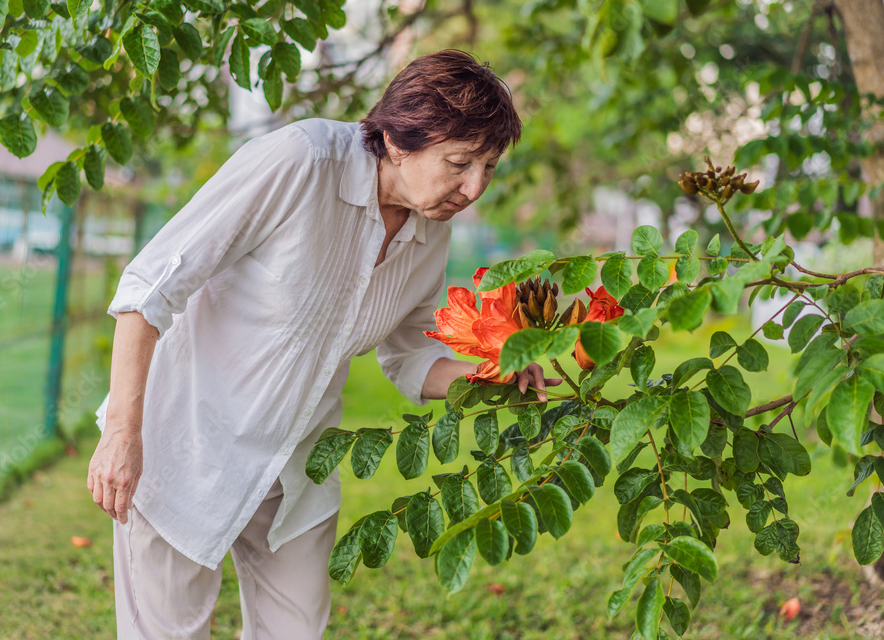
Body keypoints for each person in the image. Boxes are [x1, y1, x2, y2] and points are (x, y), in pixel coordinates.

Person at [86, 49, 558, 640]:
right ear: (394, 141)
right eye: (459, 163)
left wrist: (493, 376)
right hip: (185, 445)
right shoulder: (301, 161)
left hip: (296, 470)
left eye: (488, 168)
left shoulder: (430, 229)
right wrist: (123, 434)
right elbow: (148, 289)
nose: (473, 188)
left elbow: (410, 357)